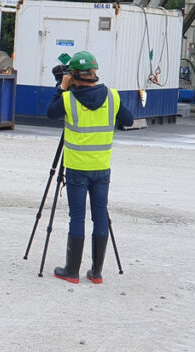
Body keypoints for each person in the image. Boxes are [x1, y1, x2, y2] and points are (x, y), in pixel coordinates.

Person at [46, 50, 133, 284]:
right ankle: (96, 273)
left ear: (72, 75)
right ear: (94, 73)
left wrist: (62, 88)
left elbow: (50, 113)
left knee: (77, 217)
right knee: (100, 216)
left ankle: (72, 271)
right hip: (102, 168)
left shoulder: (67, 98)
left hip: (76, 168)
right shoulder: (112, 97)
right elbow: (129, 120)